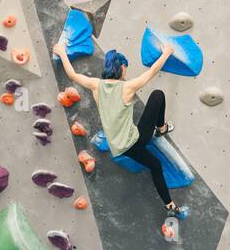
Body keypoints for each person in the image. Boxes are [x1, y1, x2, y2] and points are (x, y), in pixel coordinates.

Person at [53, 41, 180, 214]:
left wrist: (61, 52)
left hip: (120, 148)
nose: (125, 72)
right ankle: (162, 128)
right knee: (157, 95)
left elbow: (73, 74)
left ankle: (169, 204)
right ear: (120, 67)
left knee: (155, 164)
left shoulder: (95, 85)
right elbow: (152, 71)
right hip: (137, 139)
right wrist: (166, 52)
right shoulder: (127, 87)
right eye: (125, 68)